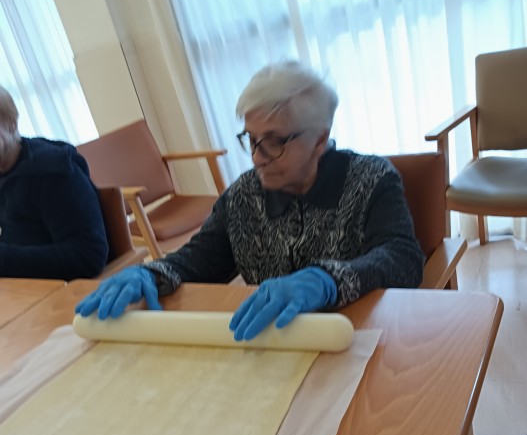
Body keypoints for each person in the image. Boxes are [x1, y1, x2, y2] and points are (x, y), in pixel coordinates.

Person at [76, 61, 424, 339]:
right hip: (273, 340)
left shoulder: (370, 179)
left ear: (320, 139)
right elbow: (202, 258)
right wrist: (150, 274)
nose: (257, 157)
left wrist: (327, 280)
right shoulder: (244, 194)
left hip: (356, 336)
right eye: (251, 139)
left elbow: (403, 258)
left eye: (274, 141)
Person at [0, 86, 109, 280]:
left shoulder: (53, 170)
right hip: (19, 286)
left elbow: (88, 255)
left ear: (10, 124)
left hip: (65, 288)